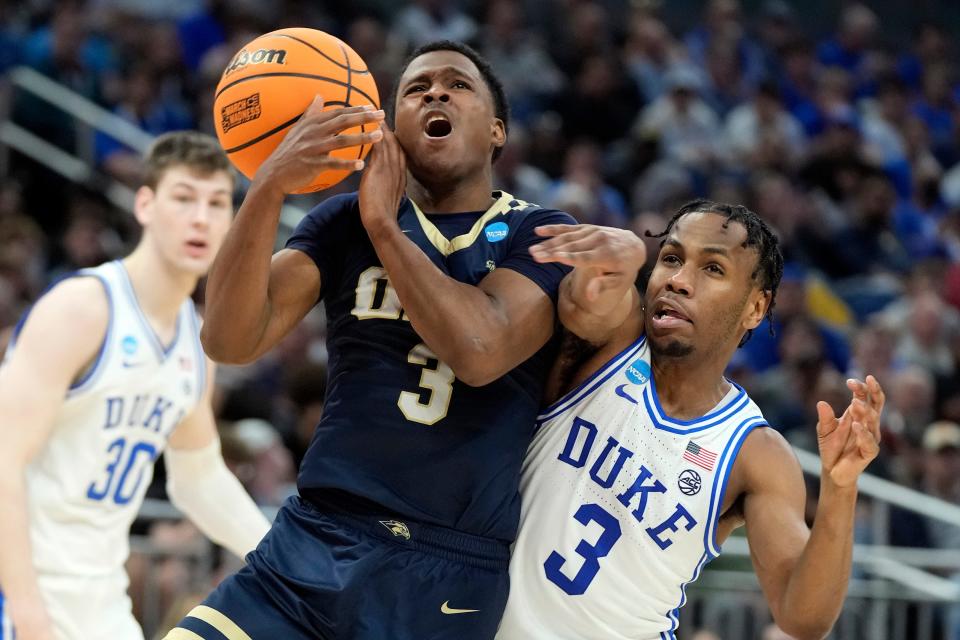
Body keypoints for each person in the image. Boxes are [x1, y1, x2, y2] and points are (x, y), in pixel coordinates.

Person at [165, 41, 575, 640]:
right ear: (389, 131)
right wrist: (270, 183)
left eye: (457, 85)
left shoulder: (539, 232)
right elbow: (229, 339)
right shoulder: (339, 222)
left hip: (445, 572)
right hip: (315, 539)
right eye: (415, 88)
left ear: (496, 131)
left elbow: (481, 351)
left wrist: (385, 226)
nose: (434, 92)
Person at [497, 200, 884, 640]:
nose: (679, 281)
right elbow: (588, 300)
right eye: (671, 258)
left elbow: (803, 618)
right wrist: (619, 256)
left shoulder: (753, 453)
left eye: (713, 269)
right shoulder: (615, 337)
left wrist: (840, 489)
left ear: (756, 307)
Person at [0, 131, 271, 640]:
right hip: (20, 594)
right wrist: (28, 613)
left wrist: (288, 559)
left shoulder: (196, 340)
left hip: (99, 603)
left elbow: (198, 478)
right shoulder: (84, 308)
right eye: (184, 198)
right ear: (144, 204)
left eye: (216, 203)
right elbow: (2, 462)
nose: (201, 218)